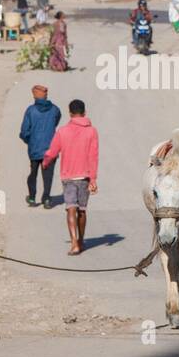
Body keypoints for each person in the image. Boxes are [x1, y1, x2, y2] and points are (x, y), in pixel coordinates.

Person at [42, 99, 99, 255]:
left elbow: (52, 151)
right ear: (84, 112)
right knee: (82, 210)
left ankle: (74, 243)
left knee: (70, 209)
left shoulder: (62, 131)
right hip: (85, 177)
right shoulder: (92, 131)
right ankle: (81, 240)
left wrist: (45, 162)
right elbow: (93, 156)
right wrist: (93, 179)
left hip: (68, 176)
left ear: (70, 113)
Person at [20, 84, 62, 207]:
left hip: (34, 148)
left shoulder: (30, 110)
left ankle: (32, 198)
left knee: (33, 173)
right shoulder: (55, 109)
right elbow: (56, 120)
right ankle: (47, 198)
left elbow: (24, 131)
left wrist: (30, 140)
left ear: (34, 96)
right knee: (48, 175)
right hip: (51, 148)